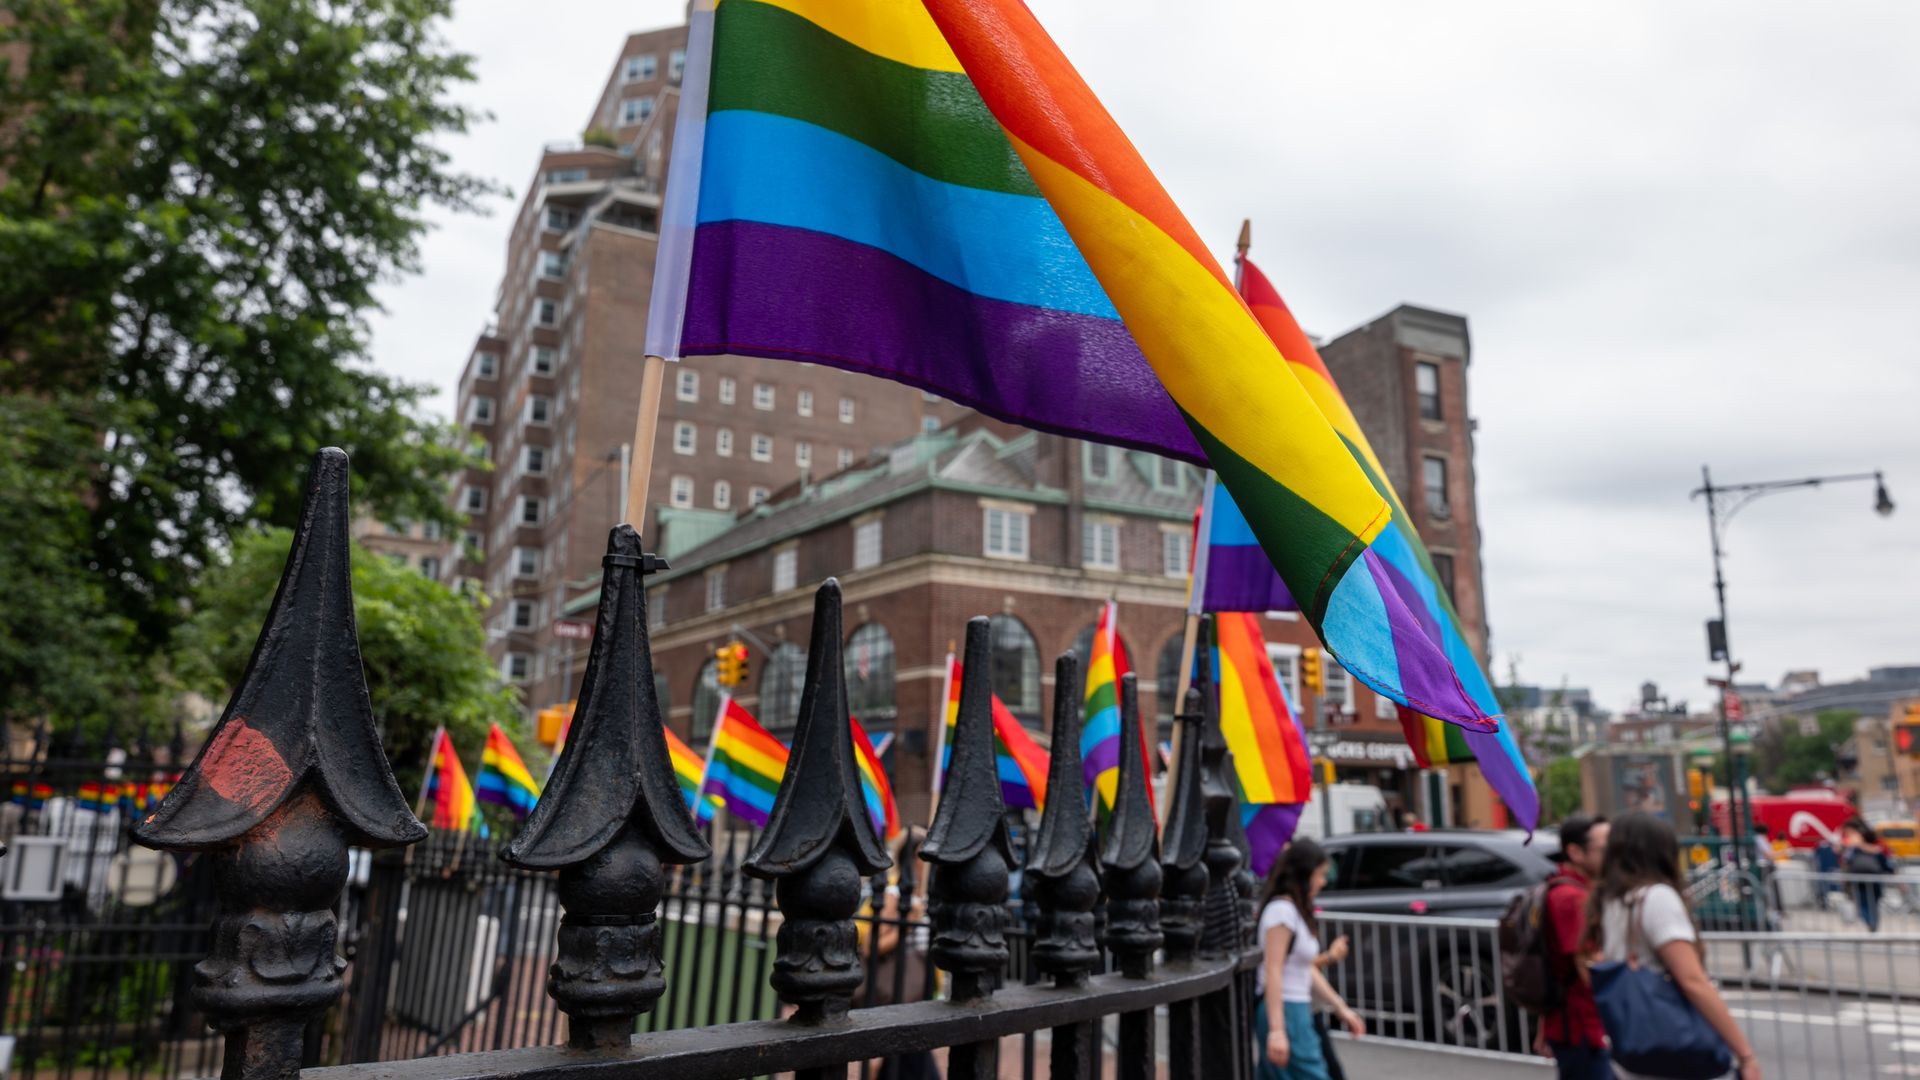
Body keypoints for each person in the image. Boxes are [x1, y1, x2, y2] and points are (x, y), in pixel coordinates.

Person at [1588, 812, 1761, 1080]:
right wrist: (1745, 1054)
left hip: (1636, 1049)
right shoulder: (1657, 897)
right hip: (1675, 1046)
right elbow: (1692, 980)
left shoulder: (1612, 899)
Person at [1256, 838, 1365, 1080]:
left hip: (1295, 1009)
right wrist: (1277, 1030)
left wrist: (1341, 1009)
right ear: (1304, 874)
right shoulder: (1282, 912)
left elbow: (1304, 970)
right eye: (1320, 874)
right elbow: (1272, 970)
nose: (1323, 881)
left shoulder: (1292, 910)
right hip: (1286, 1010)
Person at [1536, 814, 1610, 1080]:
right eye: (1604, 849)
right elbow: (1589, 968)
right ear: (1575, 852)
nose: (1613, 857)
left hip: (1575, 1025)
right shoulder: (1571, 898)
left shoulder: (1574, 889)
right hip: (1581, 1027)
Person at [1840, 819, 1894, 933]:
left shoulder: (1855, 848)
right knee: (1873, 903)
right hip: (1875, 879)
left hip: (1859, 879)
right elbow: (1887, 864)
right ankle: (1873, 923)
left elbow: (1846, 860)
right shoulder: (1878, 849)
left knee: (1862, 902)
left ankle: (1869, 921)